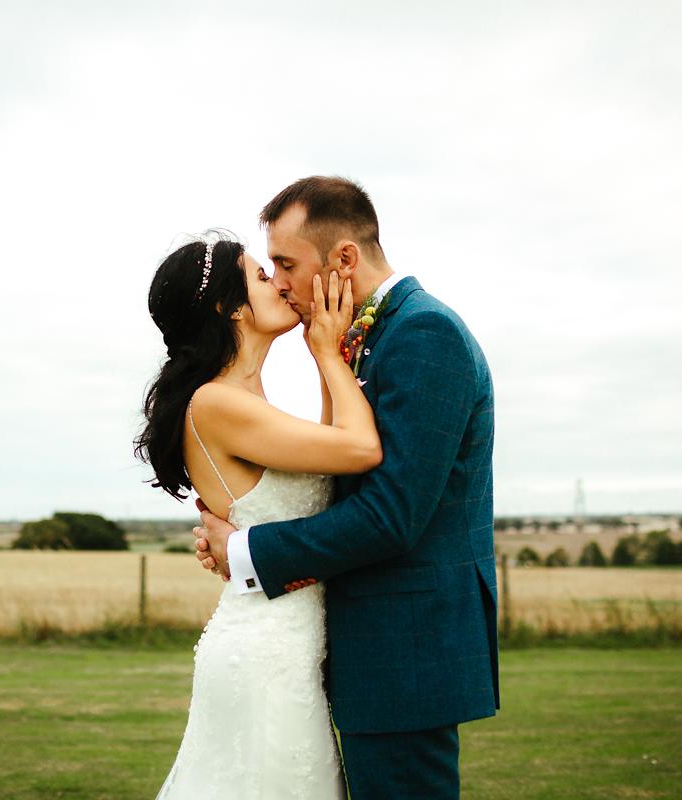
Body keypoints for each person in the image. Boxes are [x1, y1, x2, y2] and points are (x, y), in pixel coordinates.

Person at [193, 176, 499, 799]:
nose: (278, 281)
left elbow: (392, 515)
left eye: (285, 263)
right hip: (369, 651)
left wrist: (248, 552)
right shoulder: (368, 337)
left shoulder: (422, 334)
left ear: (344, 259)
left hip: (405, 649)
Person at [135, 229, 380, 799]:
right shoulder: (216, 402)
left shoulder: (246, 402)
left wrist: (329, 354)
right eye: (262, 276)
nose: (281, 284)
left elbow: (333, 447)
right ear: (230, 307)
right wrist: (325, 350)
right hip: (266, 656)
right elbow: (361, 449)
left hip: (288, 648)